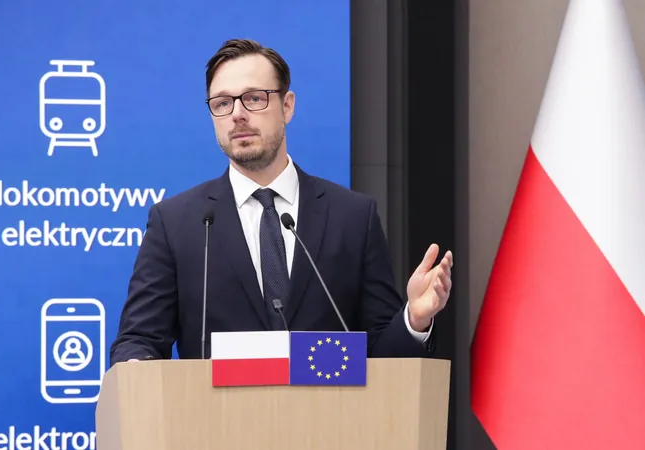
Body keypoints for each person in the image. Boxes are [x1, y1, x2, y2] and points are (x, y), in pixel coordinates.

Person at [109, 39, 453, 365]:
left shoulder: (352, 217)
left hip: (331, 409)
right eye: (223, 103)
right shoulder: (176, 223)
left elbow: (382, 356)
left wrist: (414, 319)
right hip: (213, 410)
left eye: (254, 98)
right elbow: (139, 338)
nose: (237, 115)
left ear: (287, 106)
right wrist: (136, 364)